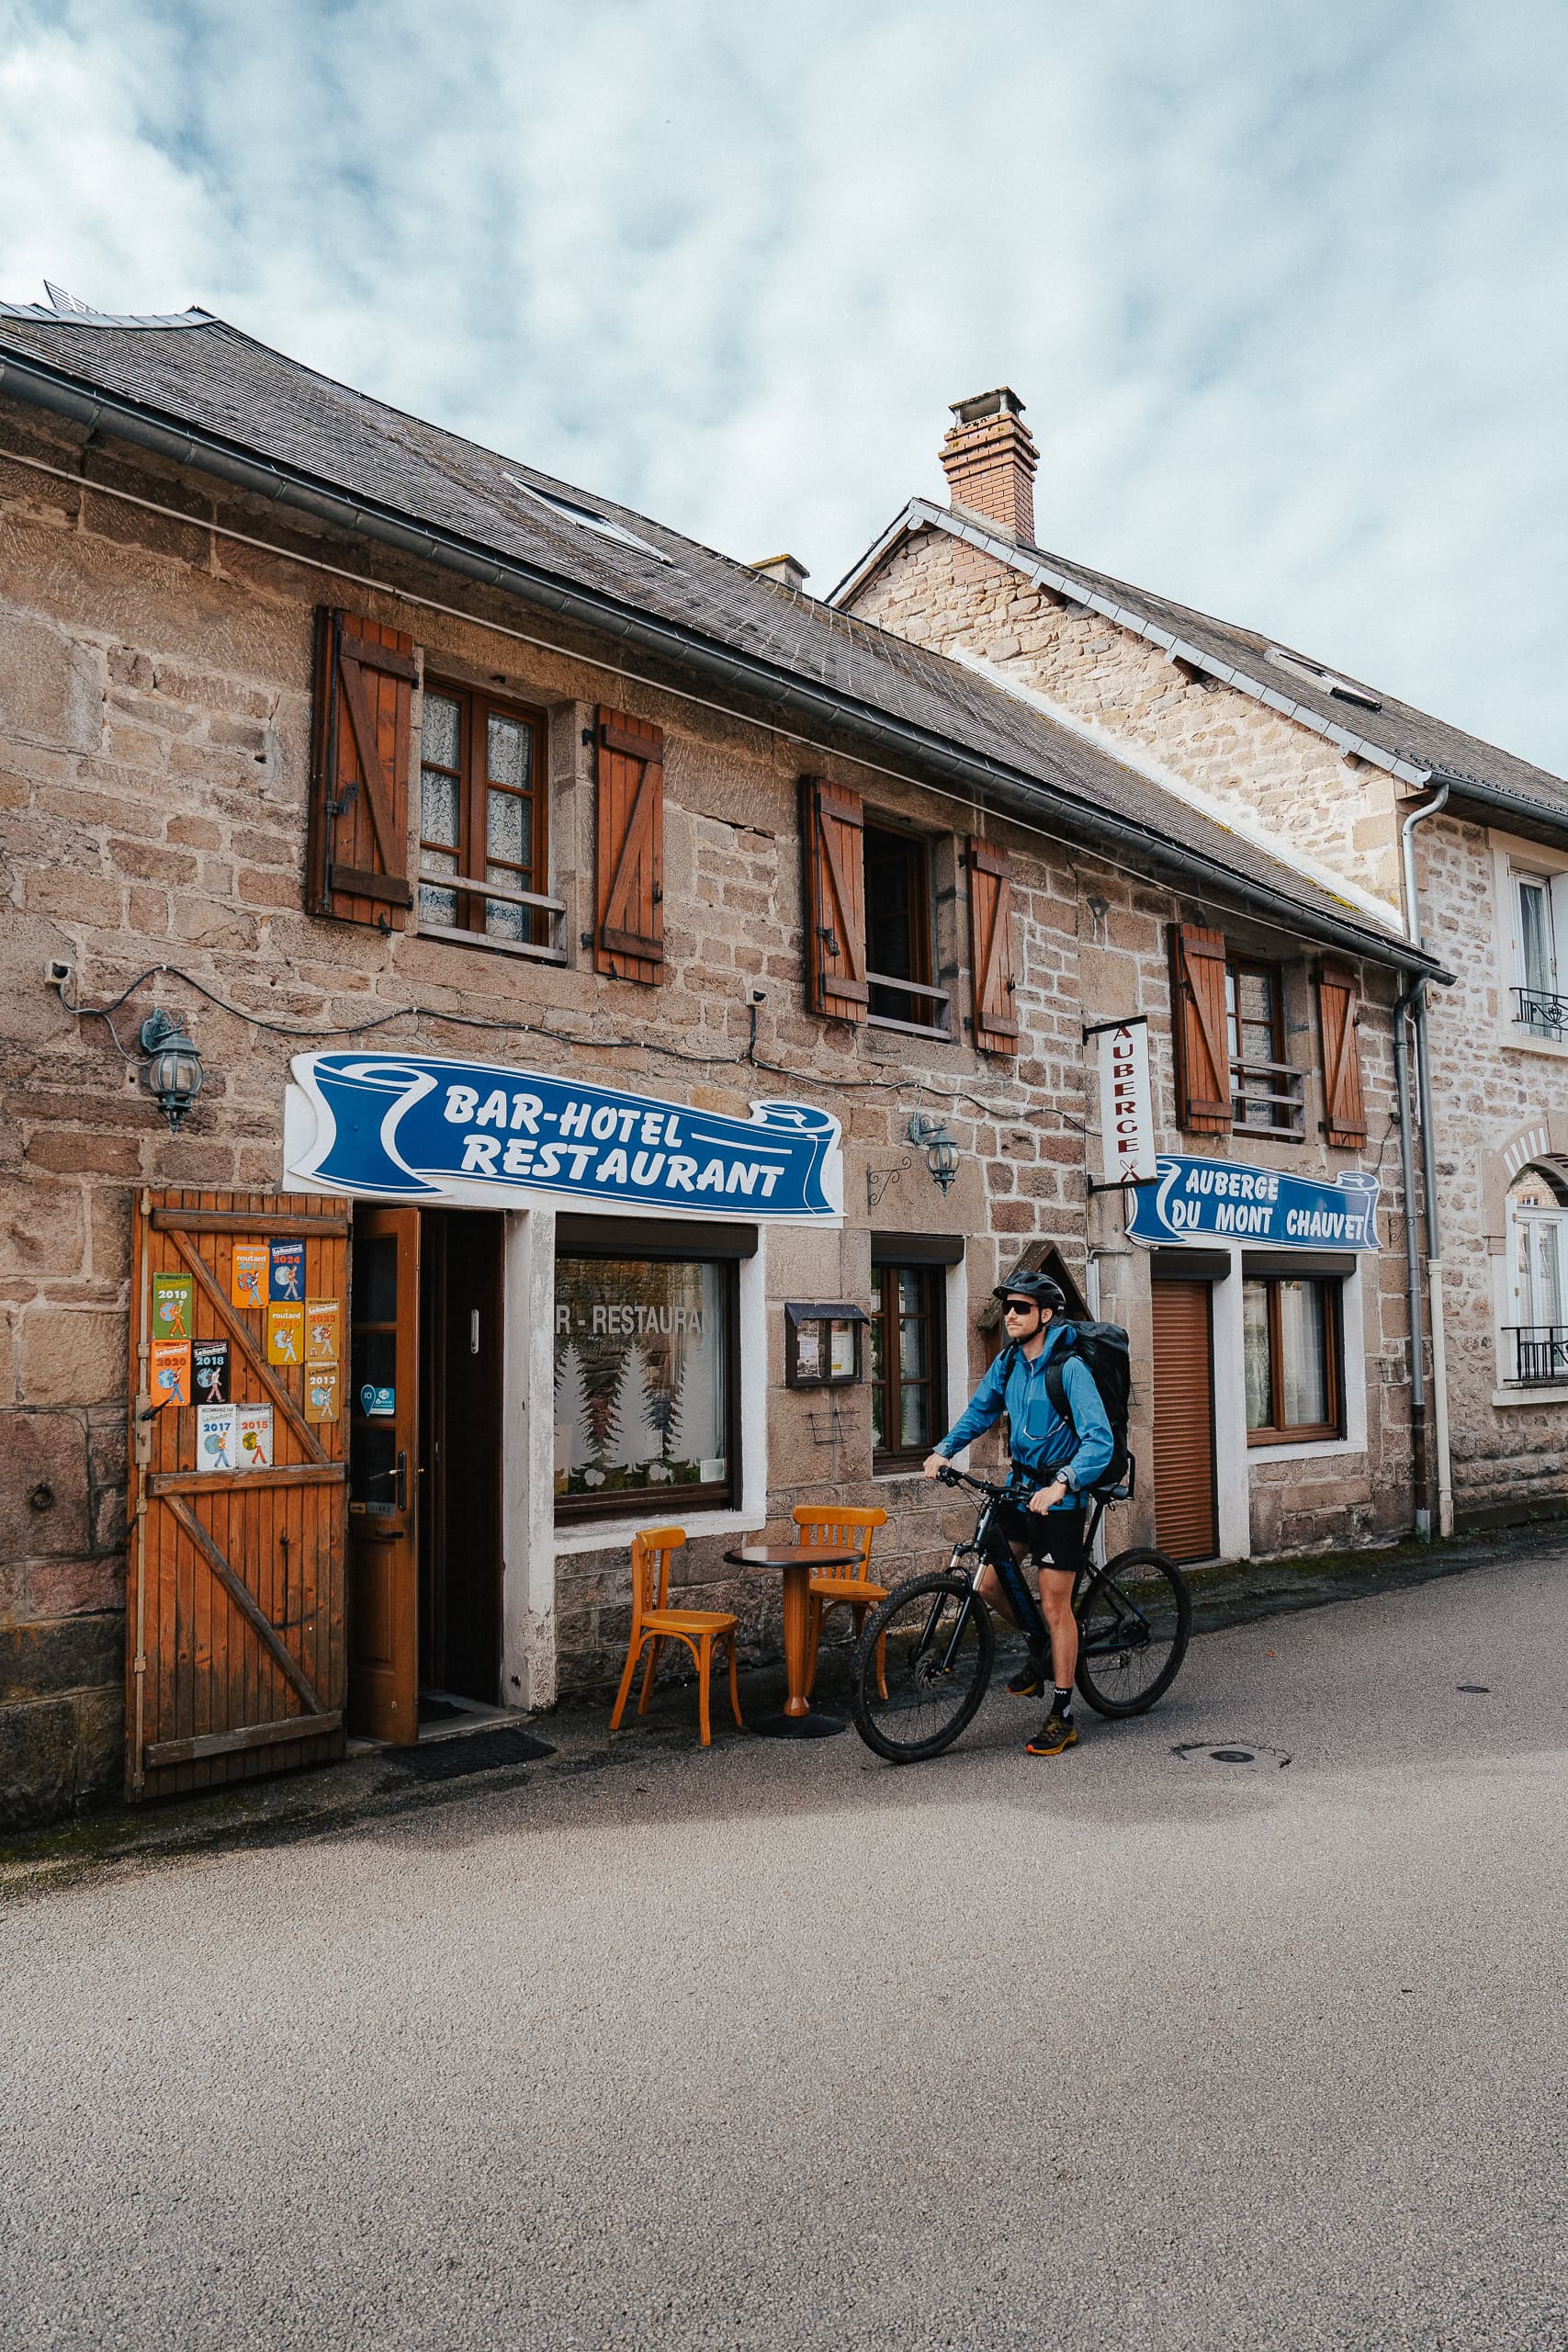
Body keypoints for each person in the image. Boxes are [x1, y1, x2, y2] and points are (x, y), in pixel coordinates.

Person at [923, 1272, 1113, 1757]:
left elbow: (1099, 1440)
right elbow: (980, 1411)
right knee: (988, 1581)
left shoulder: (1069, 1369)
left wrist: (1062, 1484)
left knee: (1056, 1605)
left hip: (1061, 1497)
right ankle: (1041, 1647)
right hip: (1019, 1489)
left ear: (1045, 1315)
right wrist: (945, 1449)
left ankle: (1064, 1713)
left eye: (1021, 1307)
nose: (1011, 1313)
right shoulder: (1008, 1363)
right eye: (1008, 1306)